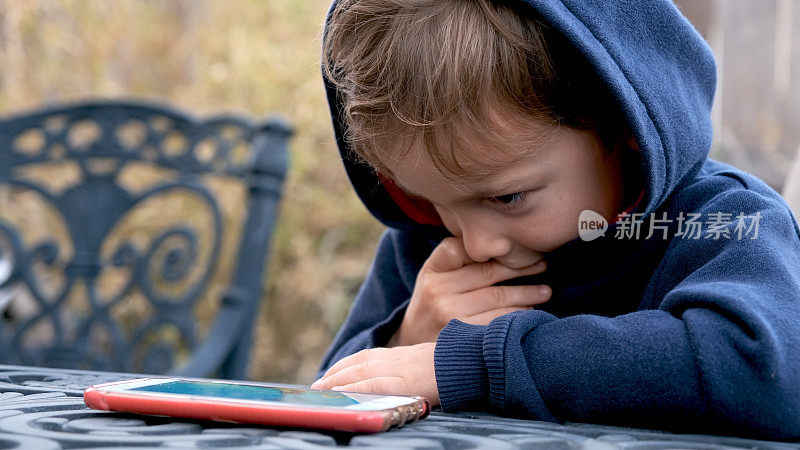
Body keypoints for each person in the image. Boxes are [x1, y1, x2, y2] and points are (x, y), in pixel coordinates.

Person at [310, 0, 800, 440]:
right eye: (430, 199)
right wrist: (406, 339)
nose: (475, 244)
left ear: (624, 124)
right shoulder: (425, 249)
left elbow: (764, 372)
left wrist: (471, 364)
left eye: (507, 197)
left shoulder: (722, 222)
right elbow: (328, 396)